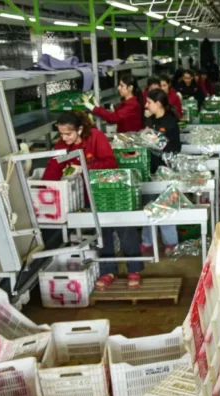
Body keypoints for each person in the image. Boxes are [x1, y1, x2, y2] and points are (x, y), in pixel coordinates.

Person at [41, 111, 144, 291]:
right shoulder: (63, 145)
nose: (64, 138)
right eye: (61, 134)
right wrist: (43, 189)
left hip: (110, 192)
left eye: (68, 134)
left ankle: (134, 270)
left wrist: (84, 167)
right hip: (89, 196)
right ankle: (108, 271)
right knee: (101, 233)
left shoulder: (96, 137)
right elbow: (53, 168)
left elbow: (110, 163)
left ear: (80, 129)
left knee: (125, 229)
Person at [141, 89, 181, 257]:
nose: (146, 105)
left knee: (165, 206)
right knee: (149, 205)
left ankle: (170, 242)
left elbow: (176, 148)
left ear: (158, 104)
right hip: (149, 169)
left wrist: (157, 142)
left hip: (165, 170)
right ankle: (147, 241)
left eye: (149, 102)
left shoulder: (171, 122)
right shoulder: (149, 120)